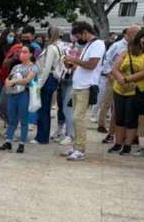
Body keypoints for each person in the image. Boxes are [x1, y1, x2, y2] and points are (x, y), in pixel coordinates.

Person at [64, 21, 105, 161]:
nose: (77, 39)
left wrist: (74, 60)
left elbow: (92, 65)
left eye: (78, 36)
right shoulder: (88, 44)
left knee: (78, 118)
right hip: (78, 85)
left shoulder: (98, 44)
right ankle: (76, 146)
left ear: (85, 33)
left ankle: (80, 149)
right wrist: (71, 63)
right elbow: (83, 65)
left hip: (86, 86)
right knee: (76, 118)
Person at [109, 28, 144, 156]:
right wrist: (121, 80)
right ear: (138, 38)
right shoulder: (126, 52)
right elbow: (115, 68)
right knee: (119, 117)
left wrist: (126, 79)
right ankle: (118, 143)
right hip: (120, 89)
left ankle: (127, 145)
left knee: (131, 119)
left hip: (136, 91)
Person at [97, 26, 138, 138]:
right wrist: (109, 73)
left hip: (128, 80)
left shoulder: (135, 47)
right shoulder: (117, 45)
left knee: (118, 106)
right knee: (108, 101)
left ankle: (116, 130)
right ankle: (101, 124)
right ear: (128, 34)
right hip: (114, 76)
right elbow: (107, 58)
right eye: (135, 34)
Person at [0, 45, 38, 153]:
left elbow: (27, 80)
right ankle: (8, 141)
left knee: (23, 119)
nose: (22, 54)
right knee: (12, 119)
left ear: (31, 54)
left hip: (24, 94)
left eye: (25, 52)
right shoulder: (16, 67)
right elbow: (8, 78)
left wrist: (14, 82)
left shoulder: (33, 67)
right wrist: (8, 82)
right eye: (21, 52)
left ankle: (22, 143)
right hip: (12, 94)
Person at [35, 26, 64, 144]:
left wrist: (39, 84)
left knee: (43, 109)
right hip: (51, 80)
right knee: (44, 109)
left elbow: (47, 67)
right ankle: (42, 136)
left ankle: (42, 137)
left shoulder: (51, 48)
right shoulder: (58, 47)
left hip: (47, 80)